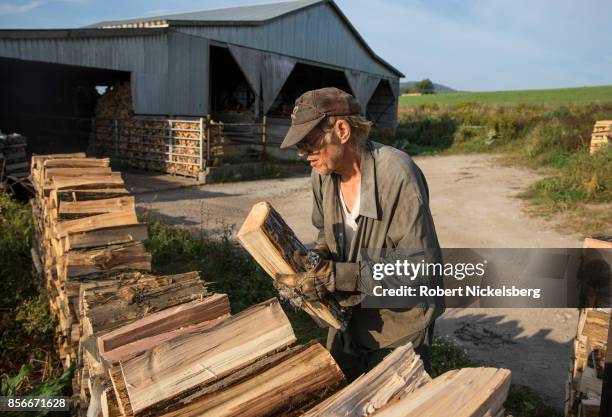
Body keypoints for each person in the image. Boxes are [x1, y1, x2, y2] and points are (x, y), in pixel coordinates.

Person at [275, 87, 444, 382]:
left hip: (398, 322)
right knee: (340, 395)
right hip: (348, 317)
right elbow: (325, 234)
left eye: (309, 142)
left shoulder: (396, 173)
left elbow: (418, 269)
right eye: (299, 146)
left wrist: (336, 277)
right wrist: (319, 259)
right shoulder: (322, 176)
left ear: (341, 130)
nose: (303, 154)